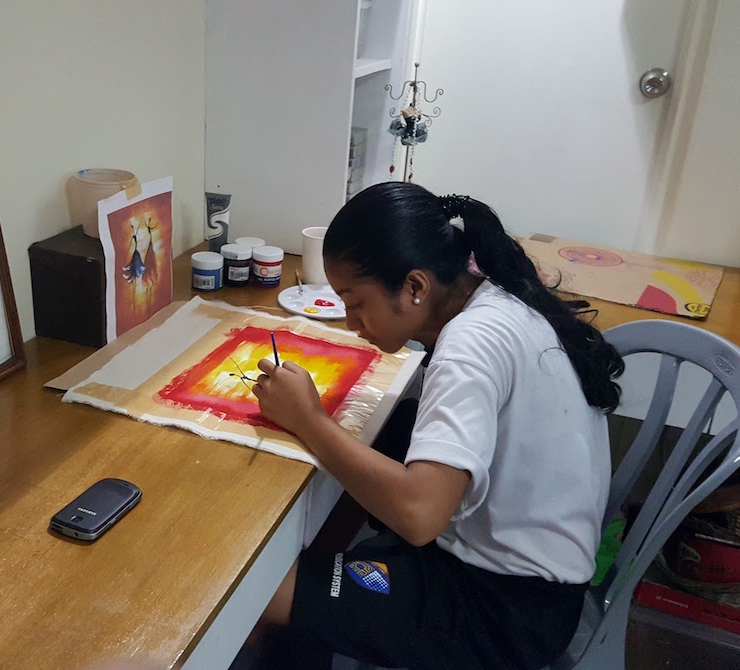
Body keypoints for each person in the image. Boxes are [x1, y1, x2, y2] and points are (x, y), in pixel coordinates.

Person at [249, 182, 625, 670]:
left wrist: (309, 419)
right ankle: (323, 581)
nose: (350, 322)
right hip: (524, 576)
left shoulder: (469, 345)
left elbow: (420, 514)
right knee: (396, 426)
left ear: (415, 287)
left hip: (501, 611)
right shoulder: (491, 296)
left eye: (356, 302)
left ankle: (311, 608)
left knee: (257, 596)